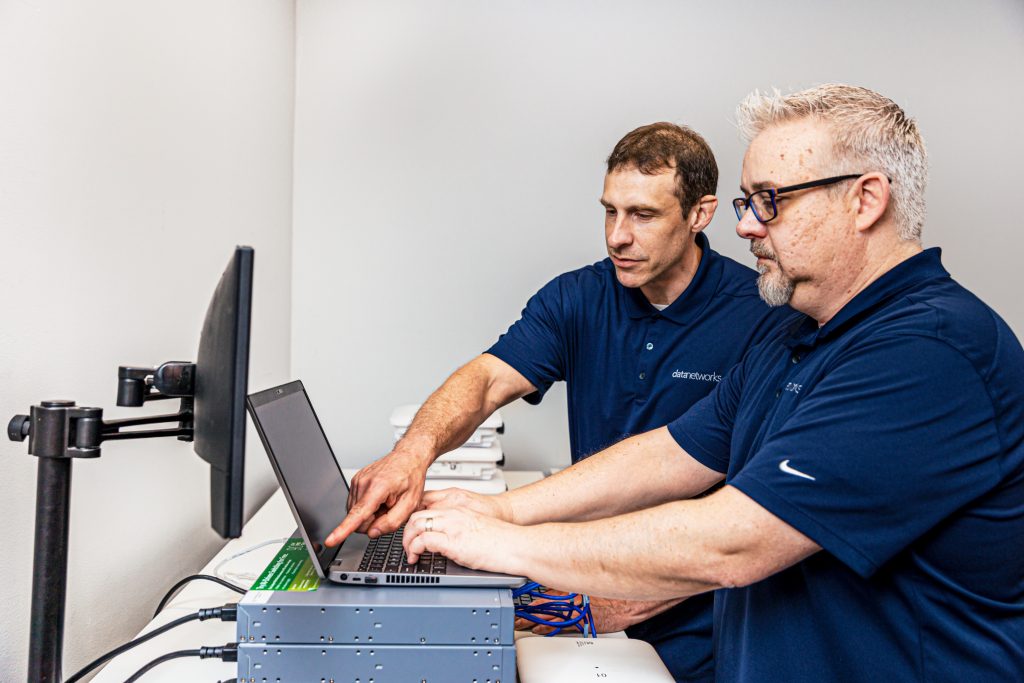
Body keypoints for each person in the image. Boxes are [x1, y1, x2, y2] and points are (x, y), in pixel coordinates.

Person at [401, 84, 1024, 682]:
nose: (749, 226)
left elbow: (735, 541)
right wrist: (496, 509)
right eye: (747, 203)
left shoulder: (929, 351)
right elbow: (669, 454)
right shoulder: (795, 332)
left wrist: (504, 544)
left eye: (771, 200)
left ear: (864, 200)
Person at [326, 122, 793, 681]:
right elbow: (484, 380)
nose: (617, 236)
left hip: (700, 622)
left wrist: (591, 603)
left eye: (643, 215)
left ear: (700, 213)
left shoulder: (764, 316)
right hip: (586, 584)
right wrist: (413, 453)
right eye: (609, 211)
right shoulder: (579, 297)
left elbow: (749, 522)